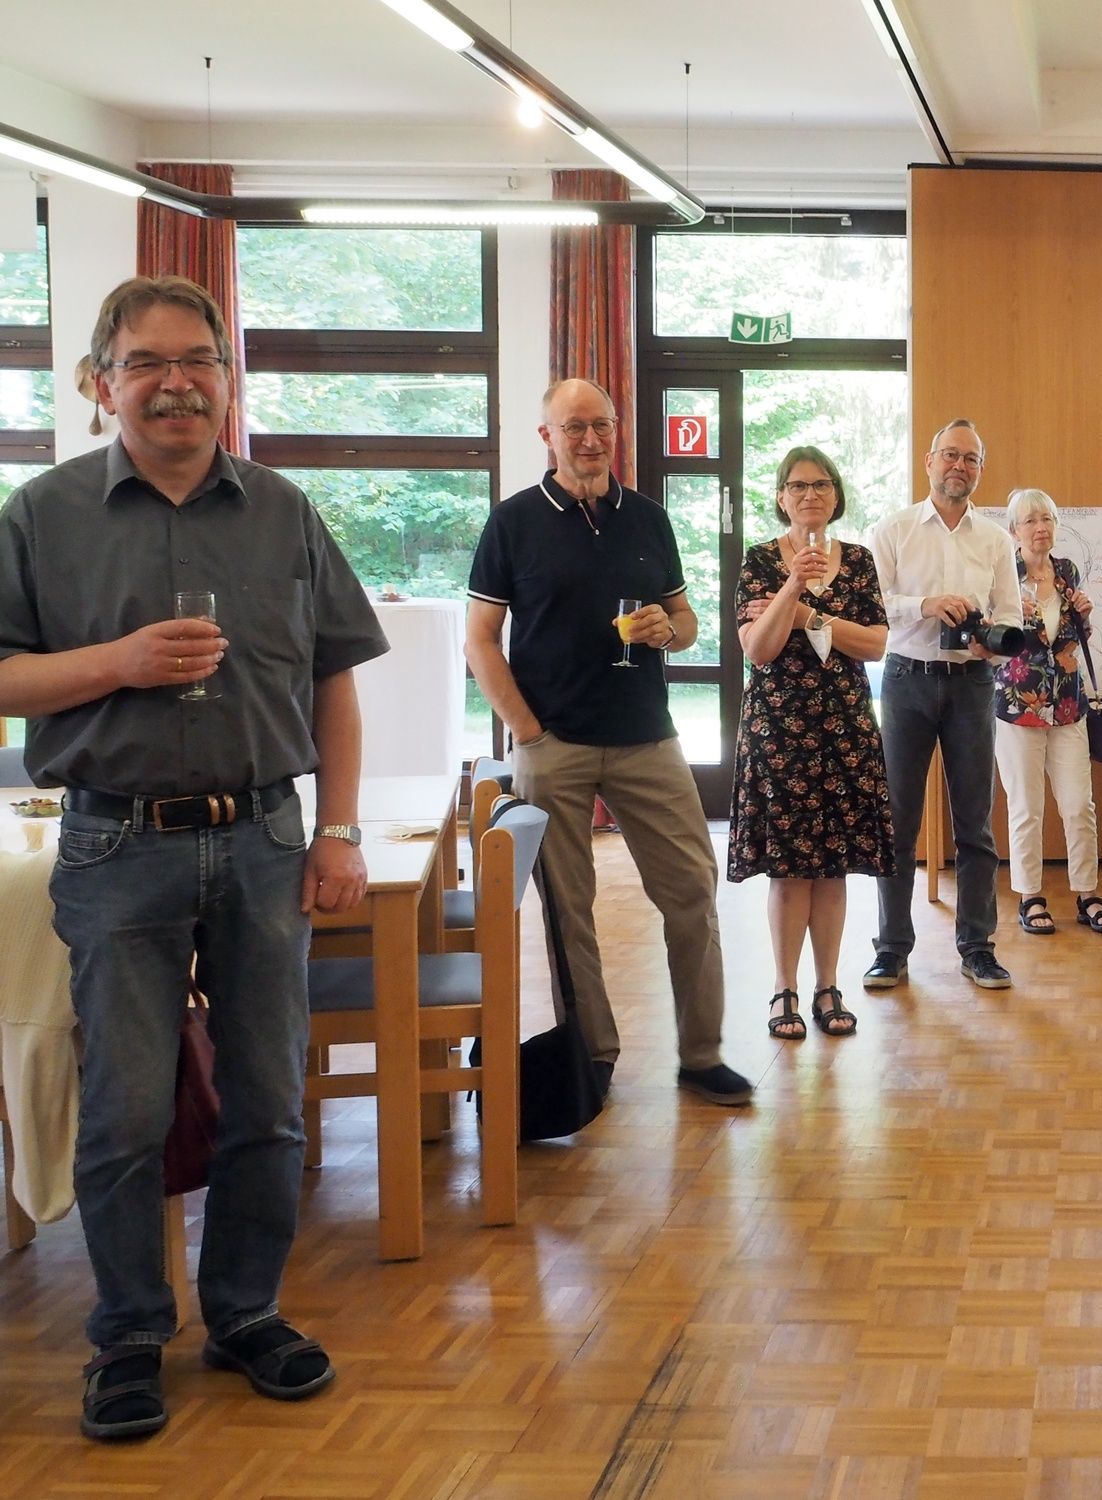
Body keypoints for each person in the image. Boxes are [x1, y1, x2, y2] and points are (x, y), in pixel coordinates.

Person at [0, 274, 388, 1438]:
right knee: (123, 1109)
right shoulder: (41, 515)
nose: (176, 384)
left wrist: (340, 830)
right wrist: (116, 664)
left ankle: (245, 1312)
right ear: (100, 382)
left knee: (268, 1102)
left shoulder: (283, 510)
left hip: (266, 836)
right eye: (146, 363)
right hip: (116, 841)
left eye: (198, 360)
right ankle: (127, 1335)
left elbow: (333, 680)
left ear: (227, 377)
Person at [466, 378, 753, 1105]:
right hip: (552, 744)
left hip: (647, 740)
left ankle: (701, 1055)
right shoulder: (512, 522)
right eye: (574, 428)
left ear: (616, 429)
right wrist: (527, 732)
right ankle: (591, 1056)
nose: (590, 440)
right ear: (547, 437)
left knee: (693, 892)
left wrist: (668, 629)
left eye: (601, 425)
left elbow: (686, 622)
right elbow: (480, 641)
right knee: (569, 911)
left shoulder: (649, 519)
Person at [728, 446, 894, 1040]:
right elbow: (758, 649)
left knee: (833, 868)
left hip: (845, 728)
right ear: (781, 497)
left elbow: (875, 644)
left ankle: (828, 985)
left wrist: (809, 619)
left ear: (836, 495)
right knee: (789, 868)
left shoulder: (861, 561)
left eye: (821, 484)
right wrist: (793, 587)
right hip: (779, 731)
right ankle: (784, 988)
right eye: (797, 486)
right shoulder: (759, 561)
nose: (810, 495)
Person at [864, 418, 1024, 991]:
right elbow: (872, 604)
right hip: (905, 680)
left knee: (975, 824)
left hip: (972, 683)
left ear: (980, 470)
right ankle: (891, 948)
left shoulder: (996, 540)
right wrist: (926, 604)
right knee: (897, 820)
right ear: (929, 461)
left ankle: (978, 946)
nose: (960, 466)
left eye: (971, 458)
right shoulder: (893, 529)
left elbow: (1012, 614)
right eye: (951, 455)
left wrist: (991, 643)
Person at [992, 488, 1102, 936]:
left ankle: (1087, 893)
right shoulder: (1001, 575)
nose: (1040, 527)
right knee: (1026, 807)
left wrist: (1086, 616)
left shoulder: (1067, 571)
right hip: (1017, 705)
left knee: (1079, 804)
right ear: (1014, 531)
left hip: (1067, 704)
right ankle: (1030, 896)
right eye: (1030, 520)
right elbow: (989, 640)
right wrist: (1009, 618)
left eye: (1046, 518)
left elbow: (1072, 638)